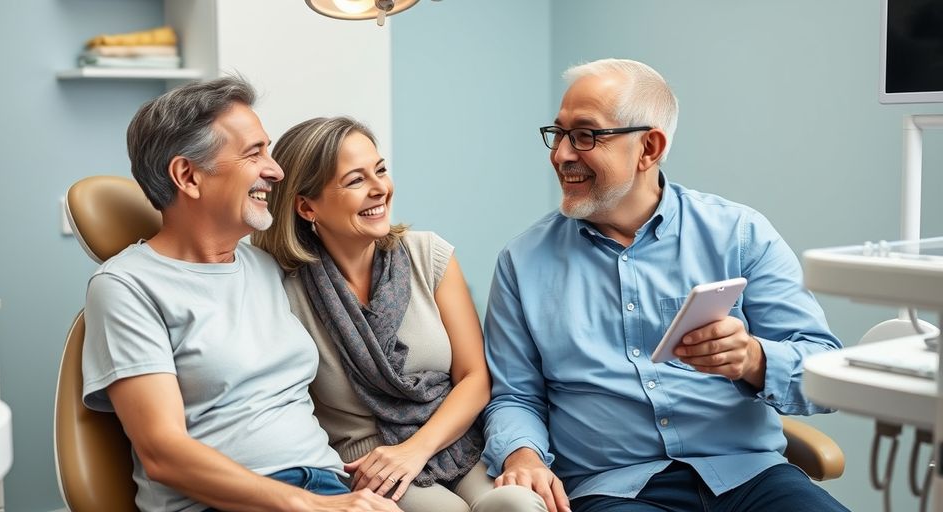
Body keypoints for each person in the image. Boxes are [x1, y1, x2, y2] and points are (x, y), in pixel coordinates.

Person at [481, 58, 848, 512]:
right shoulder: (522, 262)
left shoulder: (740, 234)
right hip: (614, 489)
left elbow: (827, 373)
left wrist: (754, 358)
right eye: (558, 135)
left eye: (585, 135)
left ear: (649, 148)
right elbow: (515, 395)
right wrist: (522, 455)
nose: (561, 155)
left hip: (750, 477)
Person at [81, 77, 402, 512]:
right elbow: (162, 453)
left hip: (327, 484)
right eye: (255, 154)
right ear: (187, 176)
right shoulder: (126, 287)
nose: (276, 171)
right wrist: (309, 506)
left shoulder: (267, 267)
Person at [252, 116, 545, 512]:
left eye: (381, 170)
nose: (380, 189)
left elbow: (475, 378)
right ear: (307, 206)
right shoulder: (281, 290)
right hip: (370, 463)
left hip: (457, 439)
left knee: (516, 505)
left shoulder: (429, 255)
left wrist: (415, 449)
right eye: (355, 181)